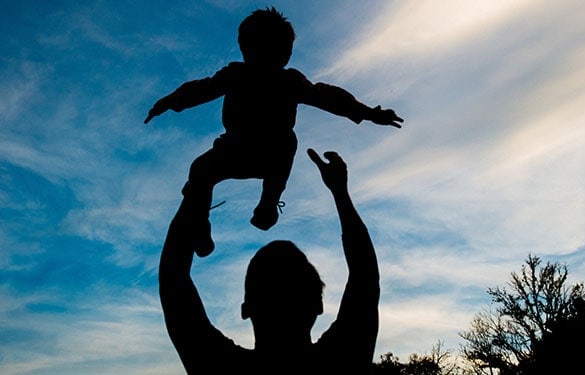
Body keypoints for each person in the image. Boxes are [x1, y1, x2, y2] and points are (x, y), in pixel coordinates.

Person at [145, 7, 403, 257]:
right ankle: (204, 225)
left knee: (277, 145)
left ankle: (267, 202)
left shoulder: (282, 81)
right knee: (202, 170)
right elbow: (202, 89)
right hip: (239, 150)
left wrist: (368, 112)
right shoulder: (244, 75)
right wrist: (171, 101)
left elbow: (328, 97)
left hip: (260, 153)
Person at [158, 149, 380, 374]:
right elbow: (365, 276)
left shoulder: (218, 364)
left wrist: (197, 190)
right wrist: (340, 192)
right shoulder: (343, 358)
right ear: (318, 305)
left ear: (246, 309)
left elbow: (172, 278)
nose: (282, 296)